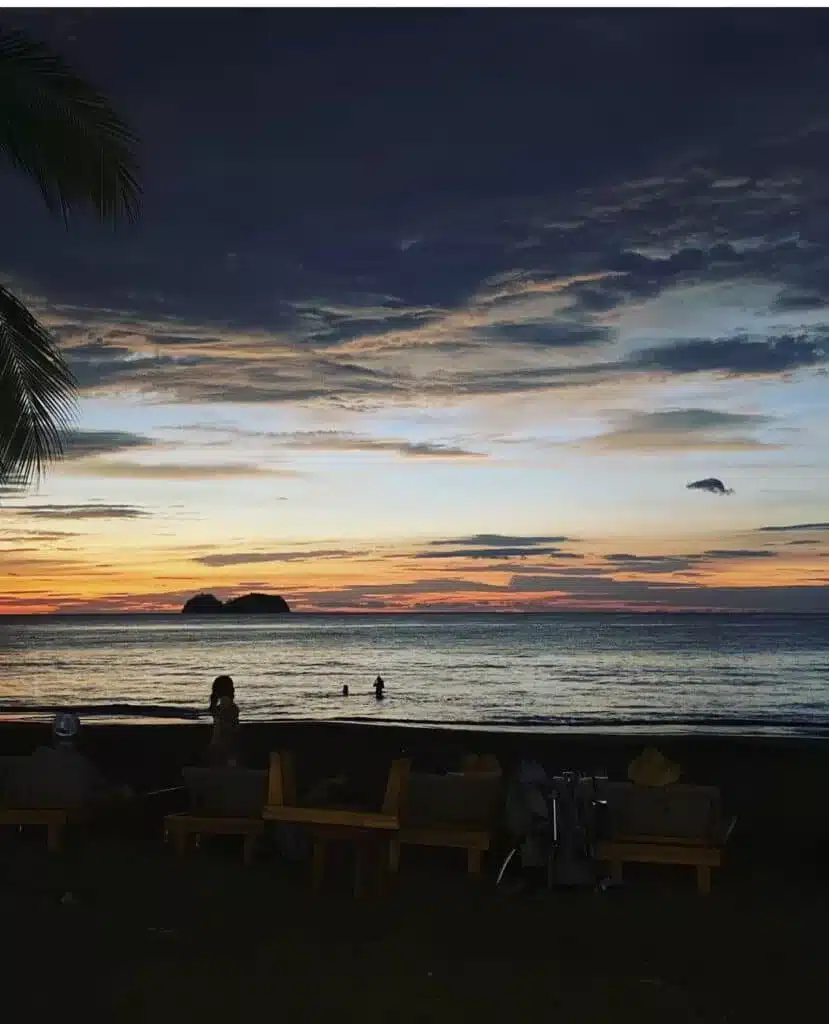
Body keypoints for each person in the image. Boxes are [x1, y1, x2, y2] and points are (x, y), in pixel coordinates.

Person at [8, 712, 130, 810]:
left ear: (52, 734)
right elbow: (99, 793)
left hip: (34, 821)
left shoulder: (34, 762)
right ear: (79, 735)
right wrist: (121, 792)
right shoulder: (83, 767)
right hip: (70, 821)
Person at [208, 675, 240, 766]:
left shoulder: (220, 707)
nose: (234, 689)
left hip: (219, 744)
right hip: (226, 745)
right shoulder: (227, 704)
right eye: (232, 687)